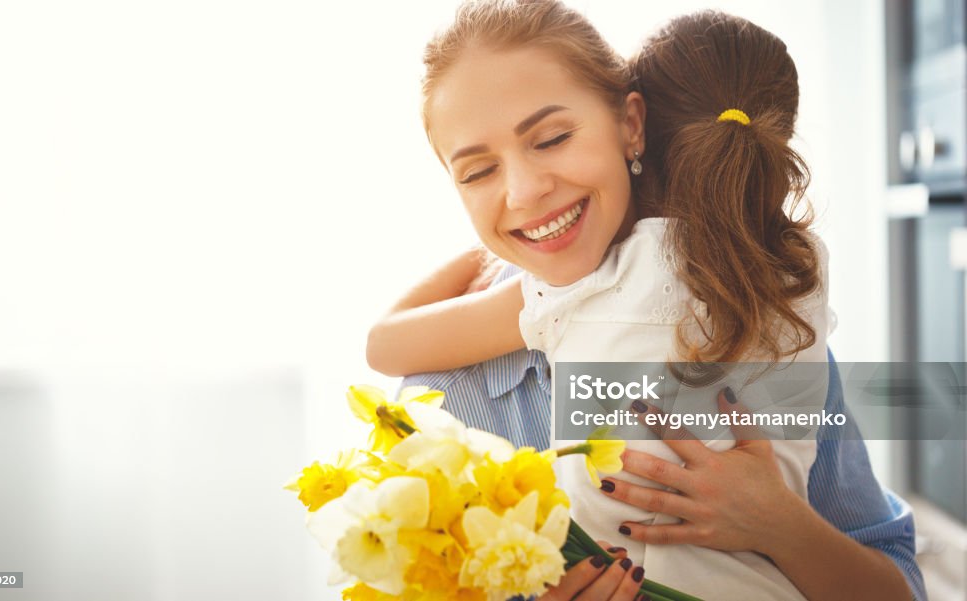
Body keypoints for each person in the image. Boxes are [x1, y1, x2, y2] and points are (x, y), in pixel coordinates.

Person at [366, 2, 923, 599]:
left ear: (632, 125)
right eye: (476, 173)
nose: (524, 191)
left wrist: (783, 526)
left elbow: (902, 589)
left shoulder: (761, 320)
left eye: (552, 138)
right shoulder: (440, 406)